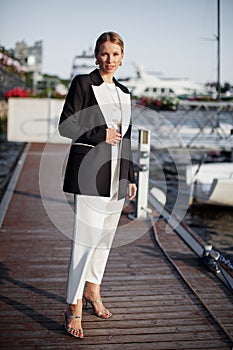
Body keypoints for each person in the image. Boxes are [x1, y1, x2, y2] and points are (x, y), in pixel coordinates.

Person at [58, 31, 137, 338]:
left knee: (103, 241)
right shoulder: (82, 83)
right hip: (90, 173)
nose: (110, 60)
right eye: (105, 54)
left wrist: (129, 176)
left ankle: (93, 291)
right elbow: (67, 124)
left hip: (116, 175)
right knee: (84, 242)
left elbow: (127, 137)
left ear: (122, 57)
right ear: (96, 55)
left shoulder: (124, 91)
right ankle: (73, 306)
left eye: (115, 55)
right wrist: (98, 134)